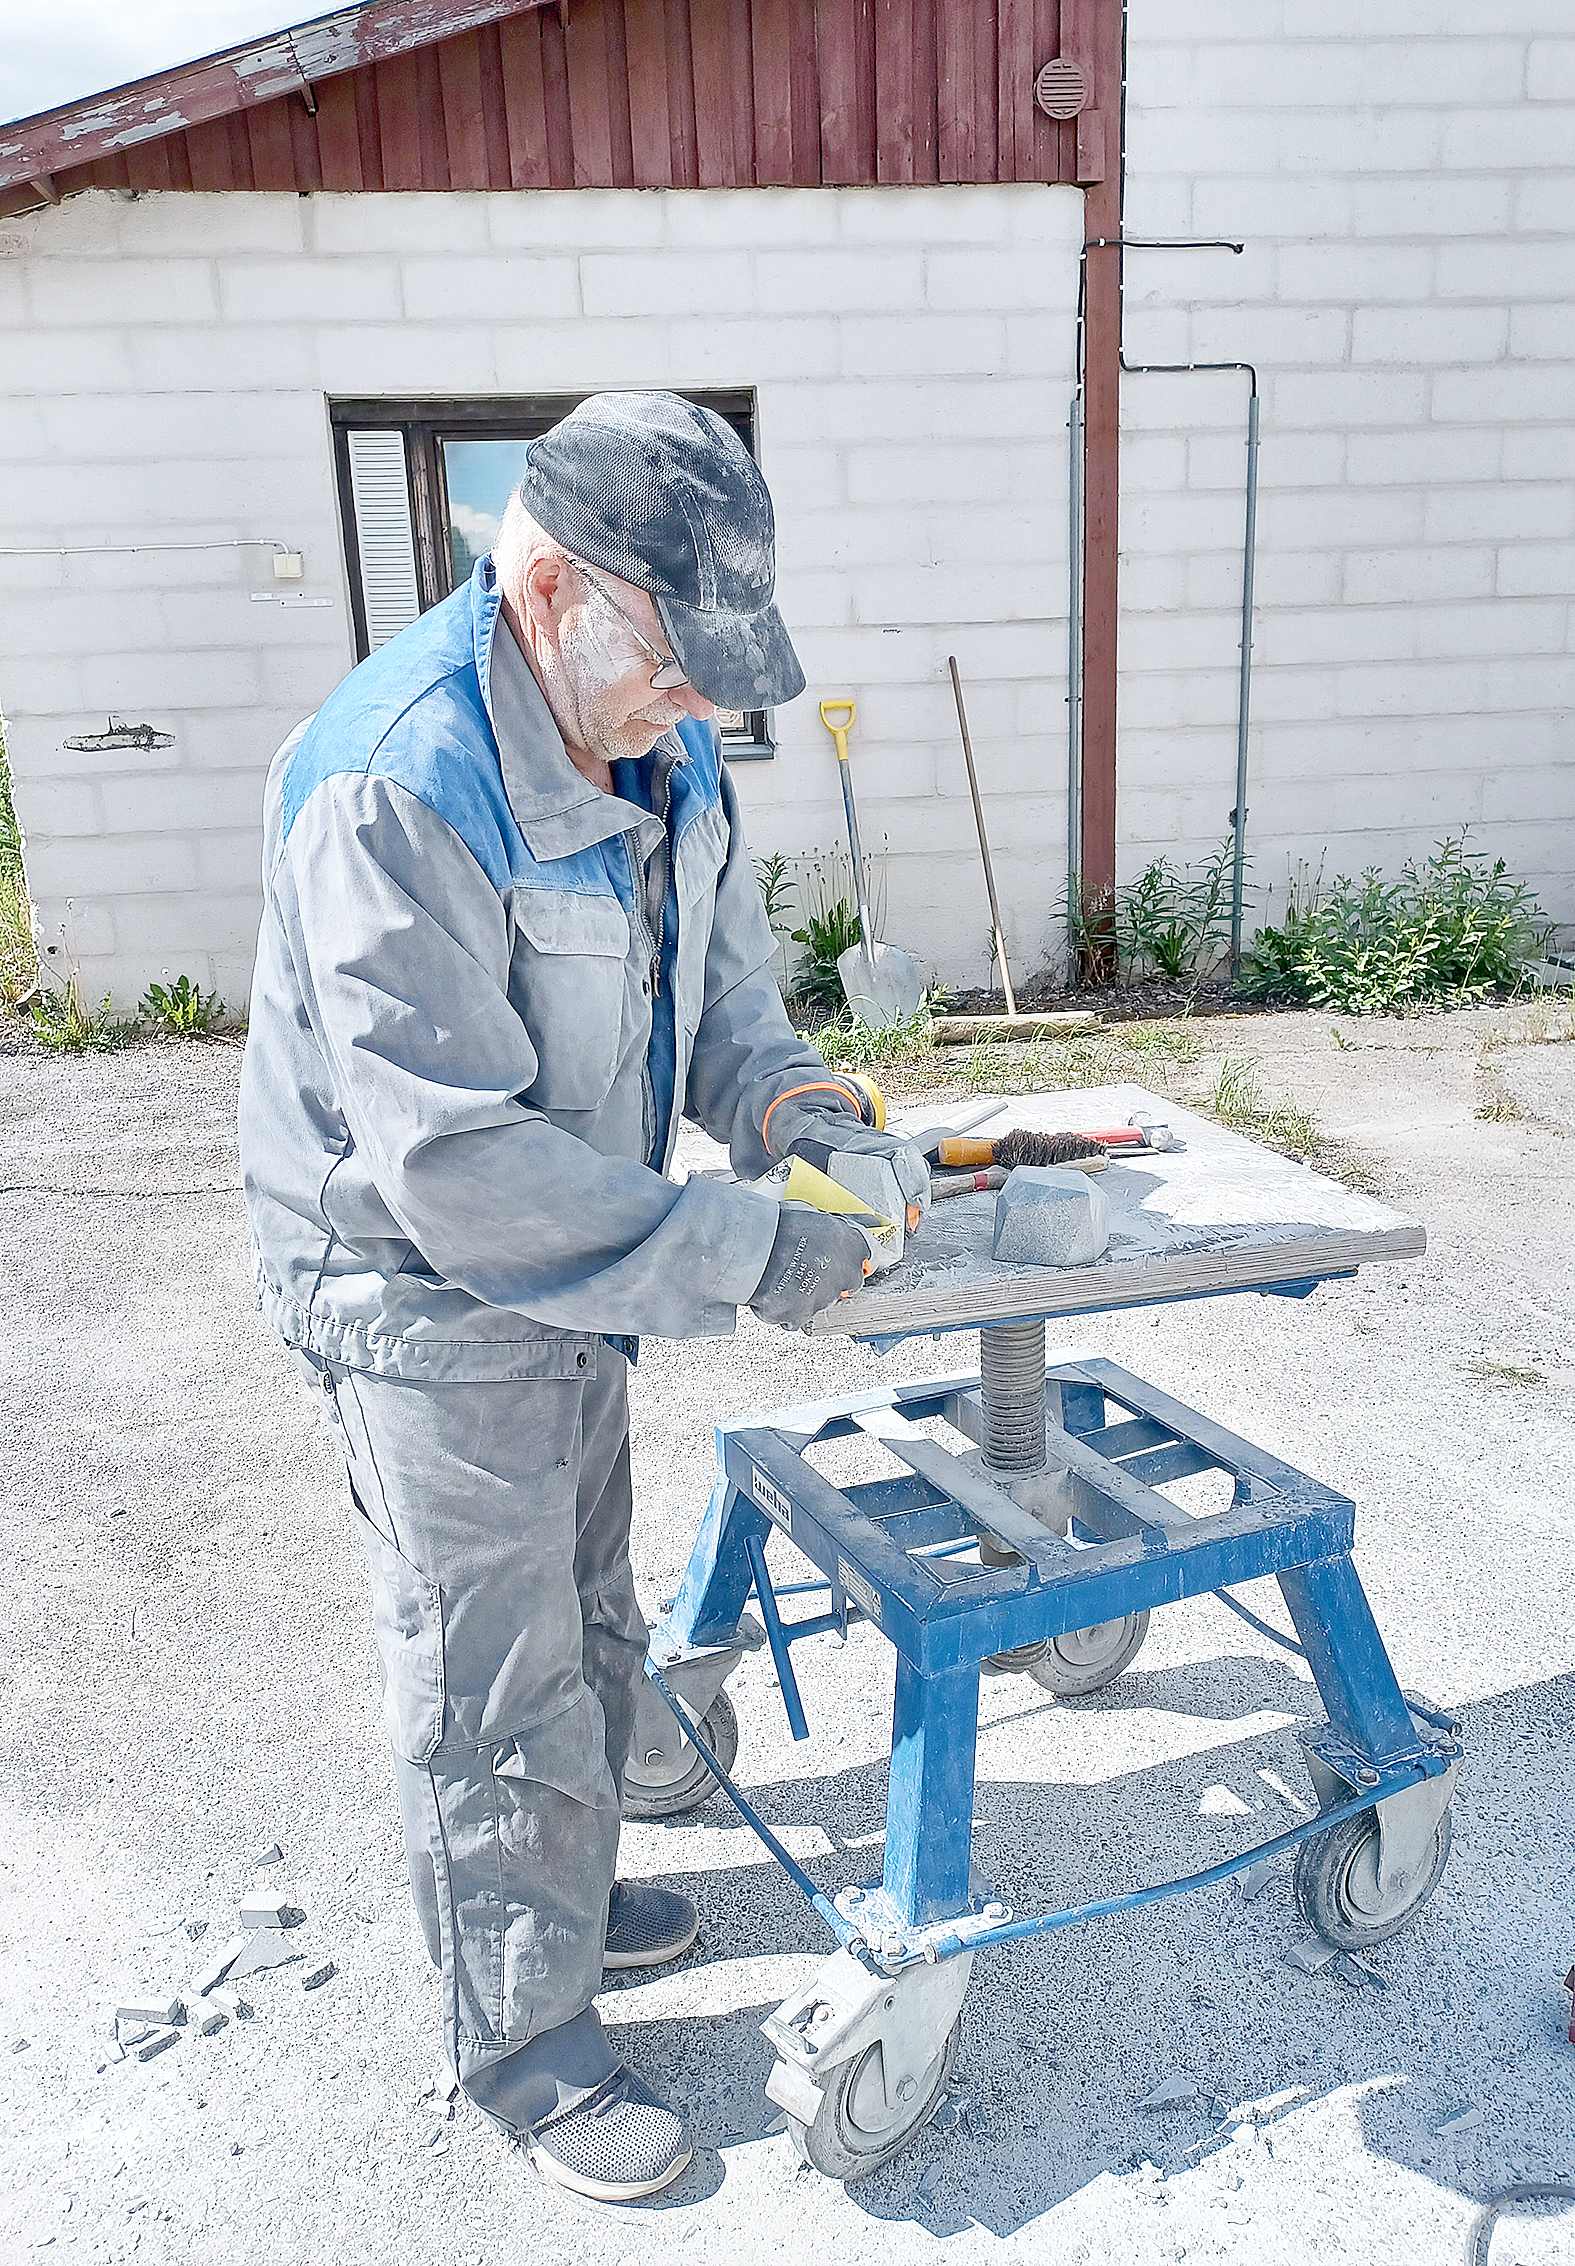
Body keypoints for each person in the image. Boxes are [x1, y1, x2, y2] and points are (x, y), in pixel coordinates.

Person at [237, 392, 927, 2203]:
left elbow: (733, 997)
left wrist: (796, 1112)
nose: (699, 705)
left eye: (716, 677)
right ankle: (527, 2047)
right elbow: (456, 1165)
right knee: (495, 1659)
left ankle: (571, 1891)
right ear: (544, 586)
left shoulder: (662, 741)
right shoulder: (396, 779)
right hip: (410, 1280)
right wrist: (738, 1243)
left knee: (591, 1592)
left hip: (583, 1248)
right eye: (674, 665)